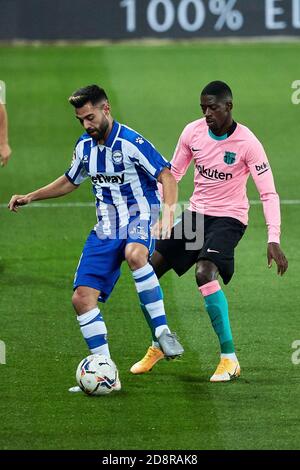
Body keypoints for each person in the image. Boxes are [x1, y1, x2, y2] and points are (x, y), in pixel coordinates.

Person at [8, 84, 184, 392]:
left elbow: (166, 175)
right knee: (81, 299)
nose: (87, 125)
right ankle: (107, 373)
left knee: (135, 254)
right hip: (105, 227)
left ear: (106, 109)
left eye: (90, 117)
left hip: (138, 215)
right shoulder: (84, 147)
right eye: (81, 120)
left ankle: (162, 331)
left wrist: (168, 213)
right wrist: (31, 196)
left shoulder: (131, 142)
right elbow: (70, 180)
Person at [130, 81, 288, 382]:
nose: (207, 113)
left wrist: (273, 238)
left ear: (229, 106)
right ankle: (159, 343)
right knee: (146, 271)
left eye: (213, 107)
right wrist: (159, 212)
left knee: (204, 272)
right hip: (196, 215)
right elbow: (173, 174)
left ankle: (230, 359)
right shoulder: (193, 133)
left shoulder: (248, 143)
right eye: (203, 107)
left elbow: (268, 194)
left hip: (229, 219)